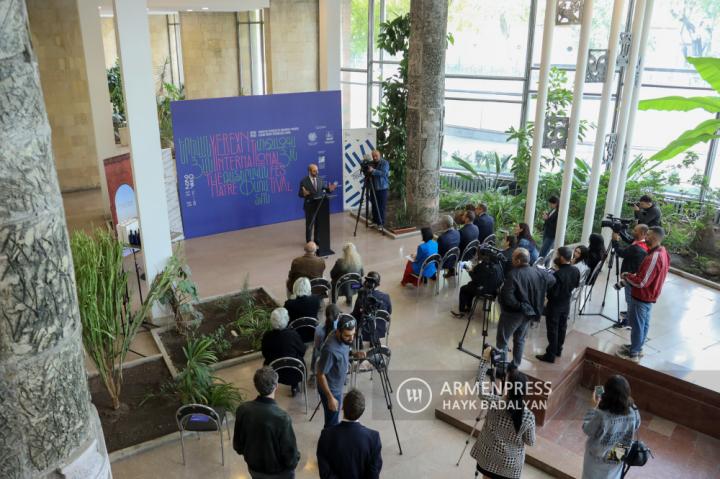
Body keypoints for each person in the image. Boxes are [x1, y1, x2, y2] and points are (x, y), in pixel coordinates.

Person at [471, 349, 536, 479]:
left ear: (508, 388)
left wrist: (484, 361)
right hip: (510, 465)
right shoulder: (529, 417)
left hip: (488, 456)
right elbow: (530, 442)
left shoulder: (494, 402)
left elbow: (479, 386)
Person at [233, 367, 300, 479]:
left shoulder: (243, 409)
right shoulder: (281, 418)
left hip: (254, 469)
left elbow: (238, 445)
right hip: (279, 473)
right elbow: (290, 457)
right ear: (276, 386)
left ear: (255, 385)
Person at [616, 226, 670, 362]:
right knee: (643, 324)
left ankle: (633, 354)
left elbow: (642, 282)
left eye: (649, 235)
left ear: (656, 238)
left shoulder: (655, 256)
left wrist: (627, 276)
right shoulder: (662, 252)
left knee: (637, 326)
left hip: (642, 296)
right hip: (648, 296)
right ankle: (637, 347)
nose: (646, 237)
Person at [497, 248, 556, 368]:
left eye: (513, 257)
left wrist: (520, 306)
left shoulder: (513, 275)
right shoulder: (538, 272)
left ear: (518, 260)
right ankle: (515, 365)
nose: (511, 259)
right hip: (528, 313)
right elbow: (552, 280)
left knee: (502, 340)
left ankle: (500, 369)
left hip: (512, 314)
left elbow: (507, 296)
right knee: (520, 340)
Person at [581, 375, 640, 479]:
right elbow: (637, 425)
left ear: (607, 394)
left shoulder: (601, 415)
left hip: (598, 456)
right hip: (619, 453)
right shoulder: (633, 410)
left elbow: (587, 429)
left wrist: (593, 407)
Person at [316, 389, 383, 479]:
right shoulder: (373, 438)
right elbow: (373, 474)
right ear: (362, 411)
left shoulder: (326, 435)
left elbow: (325, 473)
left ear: (342, 407)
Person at [316, 315, 365, 427]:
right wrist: (330, 397)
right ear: (338, 332)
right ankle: (328, 441)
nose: (352, 339)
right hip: (332, 390)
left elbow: (345, 349)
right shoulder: (330, 350)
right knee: (331, 423)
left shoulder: (344, 339)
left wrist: (354, 353)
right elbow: (320, 374)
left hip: (337, 385)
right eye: (348, 336)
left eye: (353, 334)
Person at [536, 247, 580, 363]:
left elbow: (552, 293)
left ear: (561, 258)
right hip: (566, 303)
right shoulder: (575, 270)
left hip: (555, 305)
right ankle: (558, 350)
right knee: (562, 327)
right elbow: (576, 284)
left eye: (557, 255)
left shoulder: (558, 274)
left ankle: (550, 354)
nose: (555, 257)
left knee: (552, 329)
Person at [261, 308, 307, 395]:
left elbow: (265, 354)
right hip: (295, 373)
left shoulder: (267, 337)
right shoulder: (293, 334)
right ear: (286, 319)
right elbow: (302, 351)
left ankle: (270, 392)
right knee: (296, 358)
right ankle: (294, 386)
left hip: (274, 374)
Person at [612, 224, 649, 329]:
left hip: (631, 277)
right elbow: (629, 240)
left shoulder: (636, 248)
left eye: (635, 230)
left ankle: (627, 321)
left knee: (630, 301)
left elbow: (621, 252)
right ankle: (629, 314)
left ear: (642, 233)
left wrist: (615, 240)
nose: (633, 231)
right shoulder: (643, 244)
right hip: (635, 276)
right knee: (631, 300)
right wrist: (621, 231)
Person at [451, 249, 505, 318]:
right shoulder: (498, 265)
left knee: (464, 289)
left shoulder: (482, 266)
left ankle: (462, 310)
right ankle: (468, 307)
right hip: (495, 291)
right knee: (470, 286)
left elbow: (476, 279)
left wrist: (470, 271)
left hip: (484, 290)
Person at [298, 163, 337, 243]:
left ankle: (316, 240)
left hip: (319, 206)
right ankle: (309, 241)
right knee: (309, 224)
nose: (317, 172)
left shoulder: (320, 179)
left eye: (317, 170)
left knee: (318, 224)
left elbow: (325, 190)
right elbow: (300, 194)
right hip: (309, 206)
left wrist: (330, 189)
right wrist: (303, 193)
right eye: (314, 171)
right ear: (309, 171)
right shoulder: (304, 181)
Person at [352, 271, 392, 341]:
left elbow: (355, 313)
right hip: (379, 330)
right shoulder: (386, 297)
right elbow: (389, 312)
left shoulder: (362, 295)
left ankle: (359, 343)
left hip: (363, 331)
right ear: (378, 284)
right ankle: (373, 341)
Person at [312, 304, 341, 373]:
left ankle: (313, 371)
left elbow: (317, 347)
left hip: (323, 358)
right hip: (338, 356)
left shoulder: (318, 329)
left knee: (315, 349)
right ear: (338, 316)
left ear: (325, 315)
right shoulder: (341, 329)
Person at [366, 150, 390, 229]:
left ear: (380, 155)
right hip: (373, 187)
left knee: (381, 206)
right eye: (373, 156)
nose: (375, 157)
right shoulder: (371, 163)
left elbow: (384, 173)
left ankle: (381, 224)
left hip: (382, 188)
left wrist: (373, 171)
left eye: (376, 156)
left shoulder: (385, 163)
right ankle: (375, 221)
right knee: (374, 205)